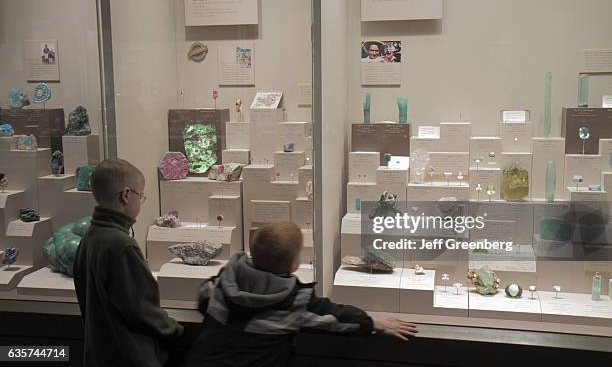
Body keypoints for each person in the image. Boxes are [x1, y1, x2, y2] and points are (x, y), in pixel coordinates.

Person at [182, 221, 417, 367]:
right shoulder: (293, 301)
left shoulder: (223, 282)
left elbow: (204, 299)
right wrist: (373, 322)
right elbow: (334, 317)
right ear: (294, 266)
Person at [74, 158, 184, 367]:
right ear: (126, 195)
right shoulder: (121, 245)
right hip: (128, 356)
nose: (140, 202)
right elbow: (141, 309)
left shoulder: (91, 236)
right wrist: (176, 331)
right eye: (140, 196)